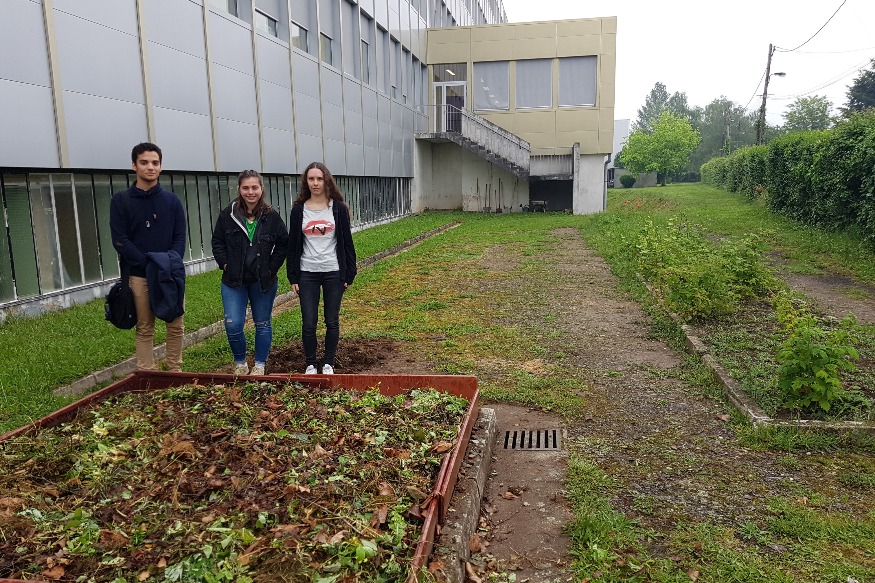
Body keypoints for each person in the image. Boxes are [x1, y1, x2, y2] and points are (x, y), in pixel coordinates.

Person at [110, 142, 187, 371]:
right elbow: (120, 240)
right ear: (134, 165)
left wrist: (168, 264)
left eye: (155, 163)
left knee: (175, 325)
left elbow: (179, 238)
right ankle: (147, 372)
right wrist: (149, 264)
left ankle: (175, 370)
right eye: (144, 162)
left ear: (161, 166)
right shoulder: (121, 201)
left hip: (169, 274)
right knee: (145, 327)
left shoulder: (172, 201)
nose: (150, 167)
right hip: (139, 275)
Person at [211, 170, 289, 376]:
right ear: (239, 189)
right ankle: (240, 363)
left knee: (262, 322)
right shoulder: (228, 215)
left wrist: (271, 268)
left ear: (261, 189)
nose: (250, 192)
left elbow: (283, 243)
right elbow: (217, 242)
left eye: (255, 187)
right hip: (233, 281)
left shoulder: (271, 216)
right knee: (233, 324)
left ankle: (260, 365)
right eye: (245, 188)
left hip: (262, 281)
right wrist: (225, 264)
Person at [287, 162, 357, 375]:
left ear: (326, 180)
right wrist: (293, 276)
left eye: (319, 178)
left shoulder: (338, 208)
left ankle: (328, 363)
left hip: (333, 272)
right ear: (306, 182)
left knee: (331, 320)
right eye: (311, 179)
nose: (315, 183)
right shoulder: (299, 210)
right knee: (309, 322)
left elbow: (347, 243)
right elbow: (293, 245)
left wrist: (349, 274)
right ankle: (310, 363)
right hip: (307, 273)